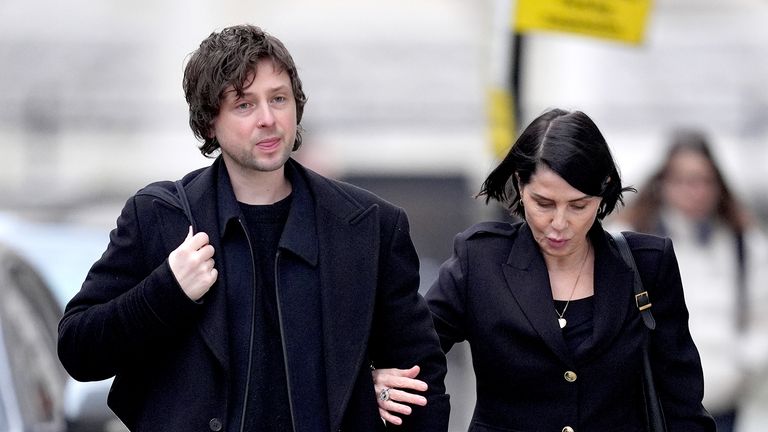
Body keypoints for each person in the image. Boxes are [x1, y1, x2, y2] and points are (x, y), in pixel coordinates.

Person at [57, 24, 449, 432]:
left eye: (278, 99)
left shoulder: (367, 226)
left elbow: (421, 384)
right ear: (210, 122)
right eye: (244, 105)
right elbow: (79, 350)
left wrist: (363, 404)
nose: (268, 119)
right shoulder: (159, 217)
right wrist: (166, 291)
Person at [372, 108, 716, 431]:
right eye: (544, 203)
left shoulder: (648, 264)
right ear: (521, 185)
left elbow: (681, 400)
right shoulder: (481, 259)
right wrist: (379, 379)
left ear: (604, 191)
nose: (559, 224)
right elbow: (413, 347)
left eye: (579, 205)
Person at [612, 130, 768, 432]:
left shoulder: (744, 243)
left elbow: (762, 318)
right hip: (650, 403)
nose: (694, 191)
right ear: (663, 183)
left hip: (720, 401)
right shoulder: (631, 242)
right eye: (683, 180)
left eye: (703, 180)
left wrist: (742, 367)